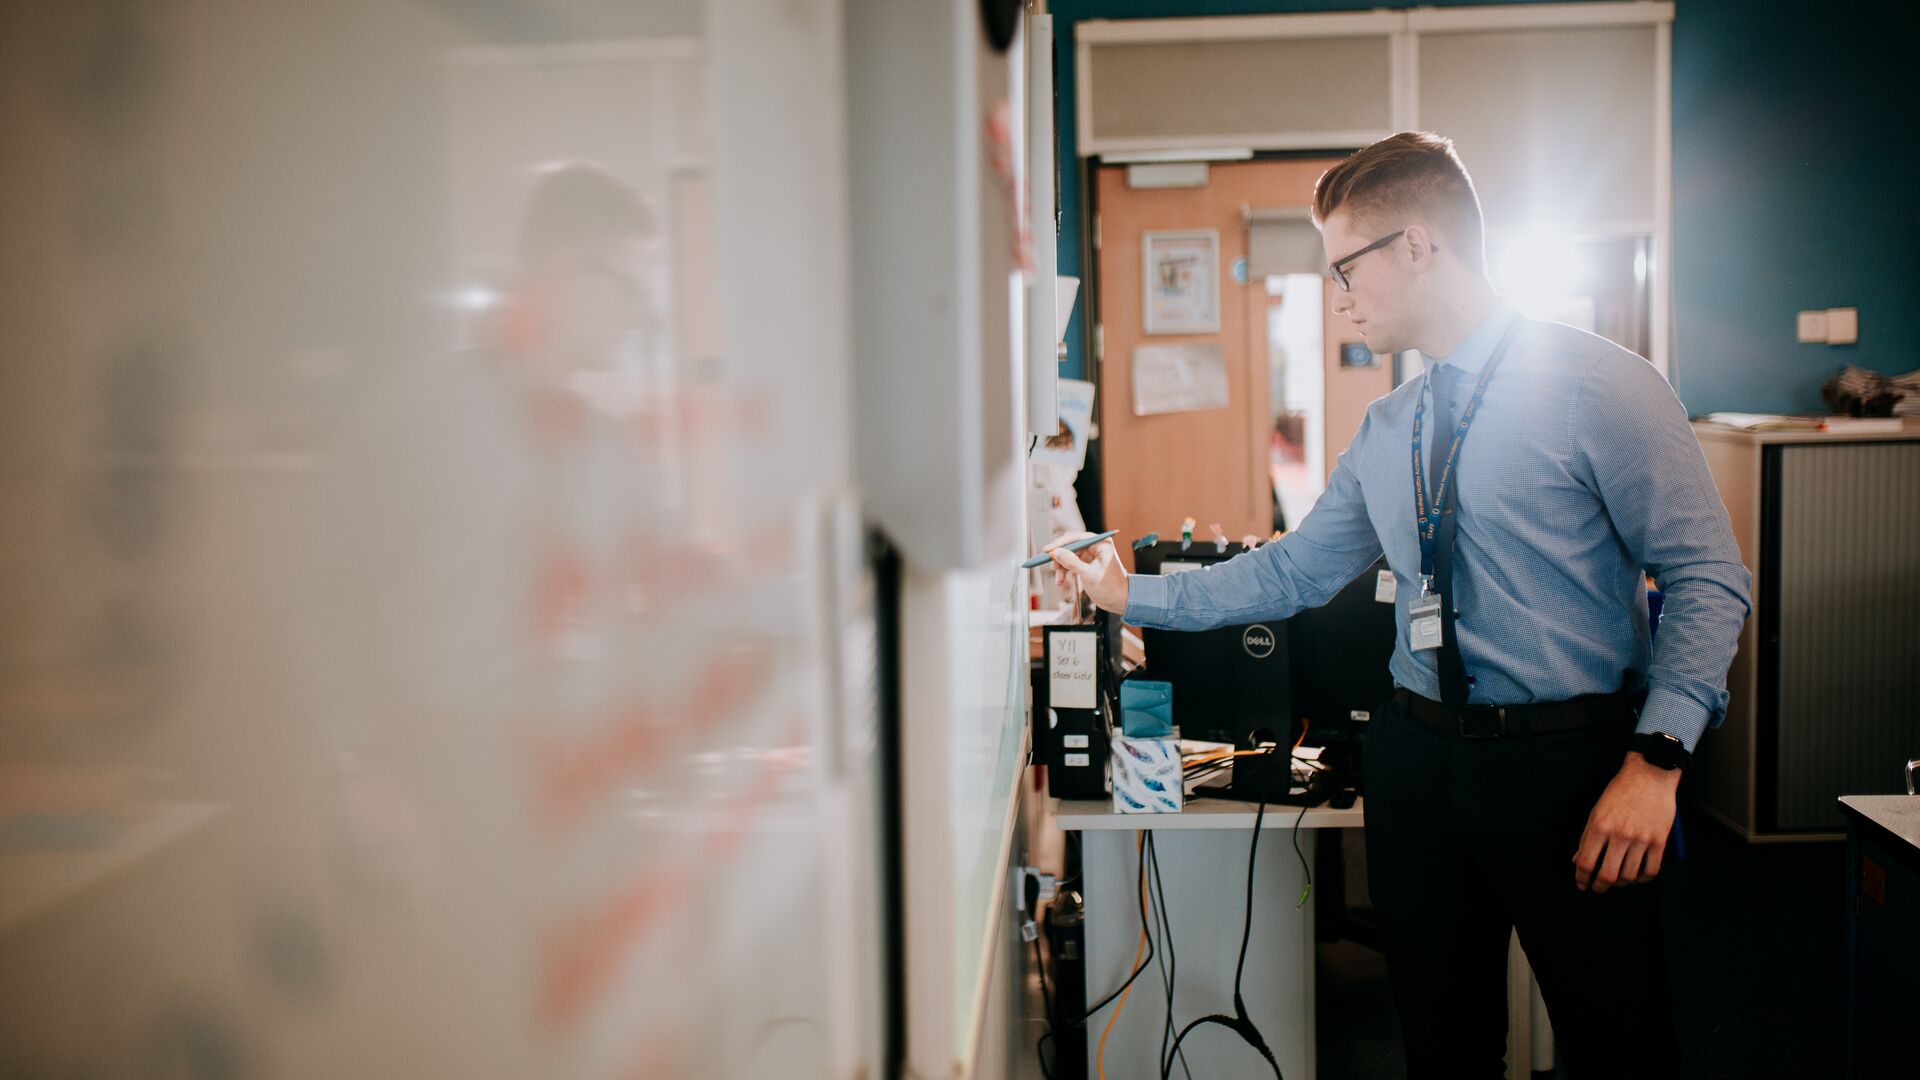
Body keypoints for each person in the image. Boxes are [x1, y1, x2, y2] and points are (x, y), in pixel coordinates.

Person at [1051, 132, 1750, 1079]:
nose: (1338, 294)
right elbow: (1291, 572)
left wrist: (1658, 761)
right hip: (1416, 763)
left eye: (1345, 266)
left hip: (1569, 763)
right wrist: (1128, 592)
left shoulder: (1602, 388)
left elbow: (1709, 578)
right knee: (1442, 1047)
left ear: (1418, 246)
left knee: (1619, 1042)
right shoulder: (1392, 426)